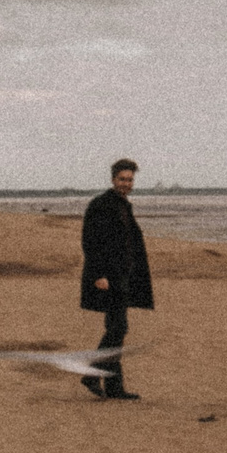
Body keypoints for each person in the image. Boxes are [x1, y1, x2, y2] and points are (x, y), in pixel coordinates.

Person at [79, 158, 152, 399]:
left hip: (124, 276)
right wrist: (98, 274)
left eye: (130, 179)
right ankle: (91, 373)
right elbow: (91, 242)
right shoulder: (101, 205)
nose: (126, 183)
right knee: (118, 328)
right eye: (122, 179)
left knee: (117, 329)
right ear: (113, 179)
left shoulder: (123, 204)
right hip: (108, 277)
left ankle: (114, 386)